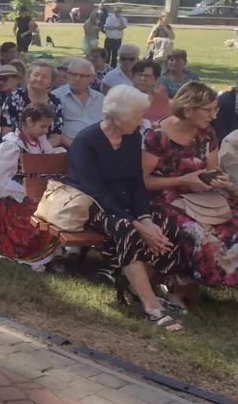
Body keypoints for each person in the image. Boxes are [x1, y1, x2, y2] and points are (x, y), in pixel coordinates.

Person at [64, 86, 189, 332]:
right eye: (137, 116)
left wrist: (145, 218)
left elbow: (136, 182)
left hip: (126, 207)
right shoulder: (87, 141)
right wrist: (137, 224)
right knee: (126, 230)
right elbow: (95, 191)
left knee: (169, 227)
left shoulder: (132, 137)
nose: (142, 120)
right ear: (118, 119)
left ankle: (136, 284)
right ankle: (152, 305)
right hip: (92, 206)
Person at [143, 82, 238, 290]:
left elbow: (211, 171)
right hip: (163, 201)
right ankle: (180, 287)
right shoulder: (157, 136)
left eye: (216, 109)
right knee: (199, 233)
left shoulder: (207, 134)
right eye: (209, 110)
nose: (213, 115)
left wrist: (218, 179)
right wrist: (182, 181)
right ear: (188, 109)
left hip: (200, 197)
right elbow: (143, 181)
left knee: (233, 221)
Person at [0, 102, 66, 269]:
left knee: (60, 209)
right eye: (43, 126)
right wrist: (26, 193)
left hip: (36, 192)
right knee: (43, 213)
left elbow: (46, 158)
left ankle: (49, 255)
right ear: (29, 122)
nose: (45, 131)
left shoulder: (39, 141)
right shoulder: (12, 145)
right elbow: (2, 181)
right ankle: (33, 255)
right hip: (15, 199)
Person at [0, 61, 65, 146]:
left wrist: (39, 150)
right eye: (36, 75)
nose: (39, 79)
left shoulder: (55, 102)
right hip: (16, 147)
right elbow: (6, 131)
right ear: (28, 77)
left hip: (45, 149)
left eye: (44, 77)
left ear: (51, 82)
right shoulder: (16, 96)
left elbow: (57, 135)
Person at [131, 60, 172, 127]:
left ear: (156, 80)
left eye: (147, 76)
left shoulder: (163, 101)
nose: (142, 78)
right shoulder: (121, 98)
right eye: (139, 74)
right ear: (132, 77)